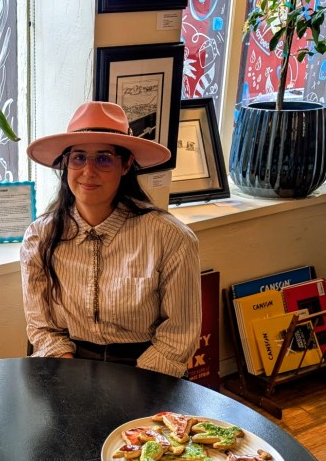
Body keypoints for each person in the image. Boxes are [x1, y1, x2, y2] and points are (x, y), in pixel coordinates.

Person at [20, 100, 201, 378]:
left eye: (103, 158)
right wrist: (72, 378)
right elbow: (42, 328)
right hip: (69, 365)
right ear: (66, 163)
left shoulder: (170, 238)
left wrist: (134, 387)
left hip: (145, 371)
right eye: (79, 157)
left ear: (126, 164)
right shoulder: (40, 238)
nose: (88, 171)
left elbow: (177, 337)